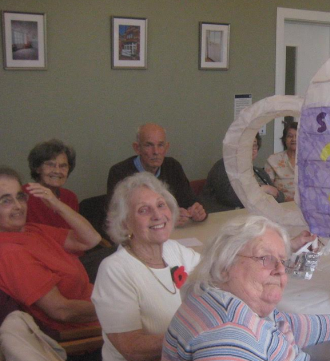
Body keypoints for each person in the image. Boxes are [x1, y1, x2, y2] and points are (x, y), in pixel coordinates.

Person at [162, 215, 330, 361]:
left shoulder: (218, 298)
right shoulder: (229, 337)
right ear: (224, 266)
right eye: (265, 258)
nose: (281, 270)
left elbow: (285, 325)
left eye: (282, 260)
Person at [92, 172, 201, 361]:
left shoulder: (174, 250)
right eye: (144, 210)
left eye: (160, 205)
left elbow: (215, 281)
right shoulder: (115, 270)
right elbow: (132, 348)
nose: (158, 215)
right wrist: (196, 336)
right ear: (125, 224)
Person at [0, 167, 101, 334]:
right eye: (5, 201)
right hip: (88, 333)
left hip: (101, 307)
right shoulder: (9, 253)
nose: (18, 206)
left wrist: (56, 204)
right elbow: (61, 311)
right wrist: (119, 309)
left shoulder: (32, 230)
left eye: (20, 197)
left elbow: (91, 239)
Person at [107, 123, 207, 227]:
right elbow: (117, 218)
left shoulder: (173, 166)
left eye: (160, 145)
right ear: (137, 148)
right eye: (149, 145)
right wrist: (167, 217)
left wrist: (198, 212)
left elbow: (191, 201)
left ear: (166, 147)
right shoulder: (119, 172)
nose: (156, 152)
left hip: (175, 235)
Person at [201, 133, 284, 212]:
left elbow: (280, 196)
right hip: (225, 219)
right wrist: (263, 189)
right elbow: (231, 198)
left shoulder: (259, 172)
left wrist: (268, 193)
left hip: (258, 217)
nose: (251, 150)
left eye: (254, 146)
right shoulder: (223, 166)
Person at [25, 139, 78, 229]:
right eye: (50, 165)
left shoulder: (70, 197)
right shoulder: (23, 195)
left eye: (63, 166)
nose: (57, 171)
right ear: (37, 168)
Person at [265, 122, 297, 202]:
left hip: (308, 206)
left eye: (297, 136)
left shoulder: (311, 160)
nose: (294, 139)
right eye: (290, 136)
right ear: (284, 139)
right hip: (281, 205)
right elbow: (267, 188)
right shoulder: (273, 159)